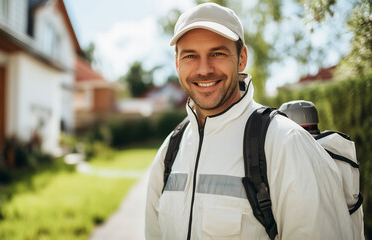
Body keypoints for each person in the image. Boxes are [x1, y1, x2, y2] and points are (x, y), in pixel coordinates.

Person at [145, 3, 354, 240]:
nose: (204, 69)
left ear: (242, 58)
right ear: (177, 63)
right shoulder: (169, 151)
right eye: (190, 56)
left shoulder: (285, 143)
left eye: (218, 53)